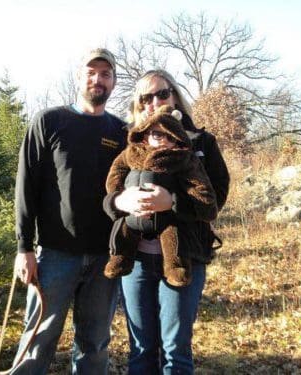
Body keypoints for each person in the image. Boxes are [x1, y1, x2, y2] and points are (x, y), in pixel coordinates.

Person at [103, 69, 230, 374]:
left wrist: (171, 203)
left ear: (174, 96)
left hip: (184, 257)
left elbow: (215, 200)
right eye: (145, 97)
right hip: (136, 262)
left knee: (175, 349)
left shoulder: (201, 142)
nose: (154, 102)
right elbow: (109, 194)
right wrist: (120, 202)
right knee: (142, 348)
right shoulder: (131, 144)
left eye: (162, 93)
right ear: (138, 104)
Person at [12, 48, 127, 375]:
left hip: (104, 259)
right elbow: (26, 187)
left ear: (114, 82)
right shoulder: (50, 122)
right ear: (79, 77)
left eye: (105, 74)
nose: (97, 79)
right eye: (91, 72)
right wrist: (23, 248)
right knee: (38, 339)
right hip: (55, 255)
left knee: (94, 345)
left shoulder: (121, 133)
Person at [103, 105, 218, 287]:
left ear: (179, 139)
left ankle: (176, 267)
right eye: (158, 134)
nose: (164, 140)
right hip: (134, 224)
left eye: (170, 136)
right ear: (146, 135)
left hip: (170, 223)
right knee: (125, 229)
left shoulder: (184, 159)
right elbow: (115, 173)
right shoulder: (130, 154)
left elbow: (205, 199)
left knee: (172, 234)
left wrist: (172, 202)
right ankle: (120, 259)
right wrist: (119, 197)